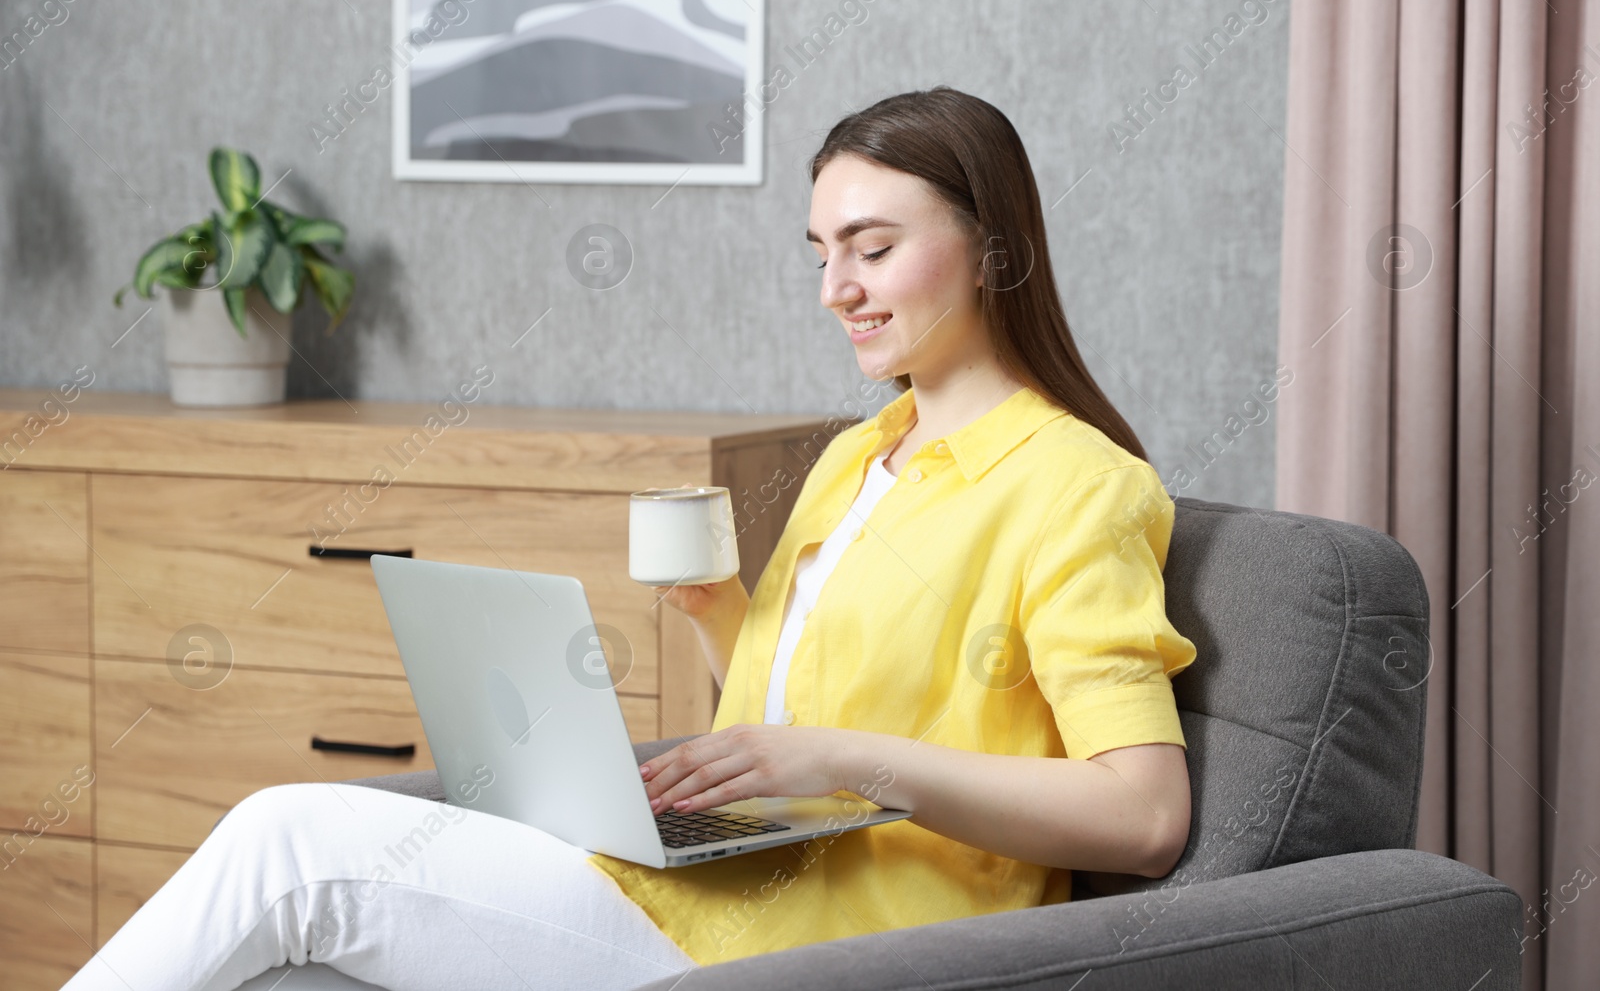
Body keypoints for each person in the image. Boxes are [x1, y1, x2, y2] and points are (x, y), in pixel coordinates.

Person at [60, 86, 1195, 990]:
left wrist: (848, 761)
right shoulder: (863, 453)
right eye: (818, 251)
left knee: (286, 837)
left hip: (828, 946)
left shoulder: (1079, 487)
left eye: (871, 246)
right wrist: (723, 621)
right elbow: (784, 727)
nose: (833, 287)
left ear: (992, 248)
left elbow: (1142, 816)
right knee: (286, 966)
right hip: (702, 888)